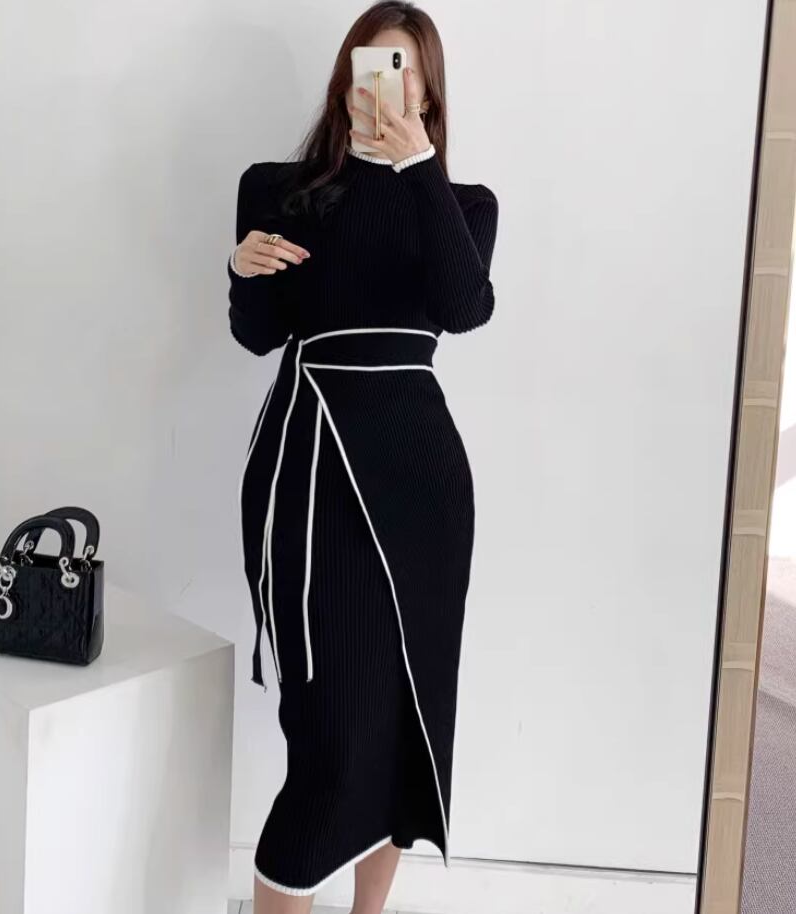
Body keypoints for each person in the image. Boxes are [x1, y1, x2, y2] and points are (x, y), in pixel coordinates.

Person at [228, 2, 499, 911]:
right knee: (332, 742)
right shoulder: (278, 188)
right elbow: (258, 336)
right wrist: (241, 274)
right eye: (372, 63)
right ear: (346, 77)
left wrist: (416, 165)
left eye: (405, 68)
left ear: (429, 90)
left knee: (408, 720)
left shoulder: (463, 205)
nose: (387, 81)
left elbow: (463, 308)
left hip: (423, 479)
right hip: (314, 462)